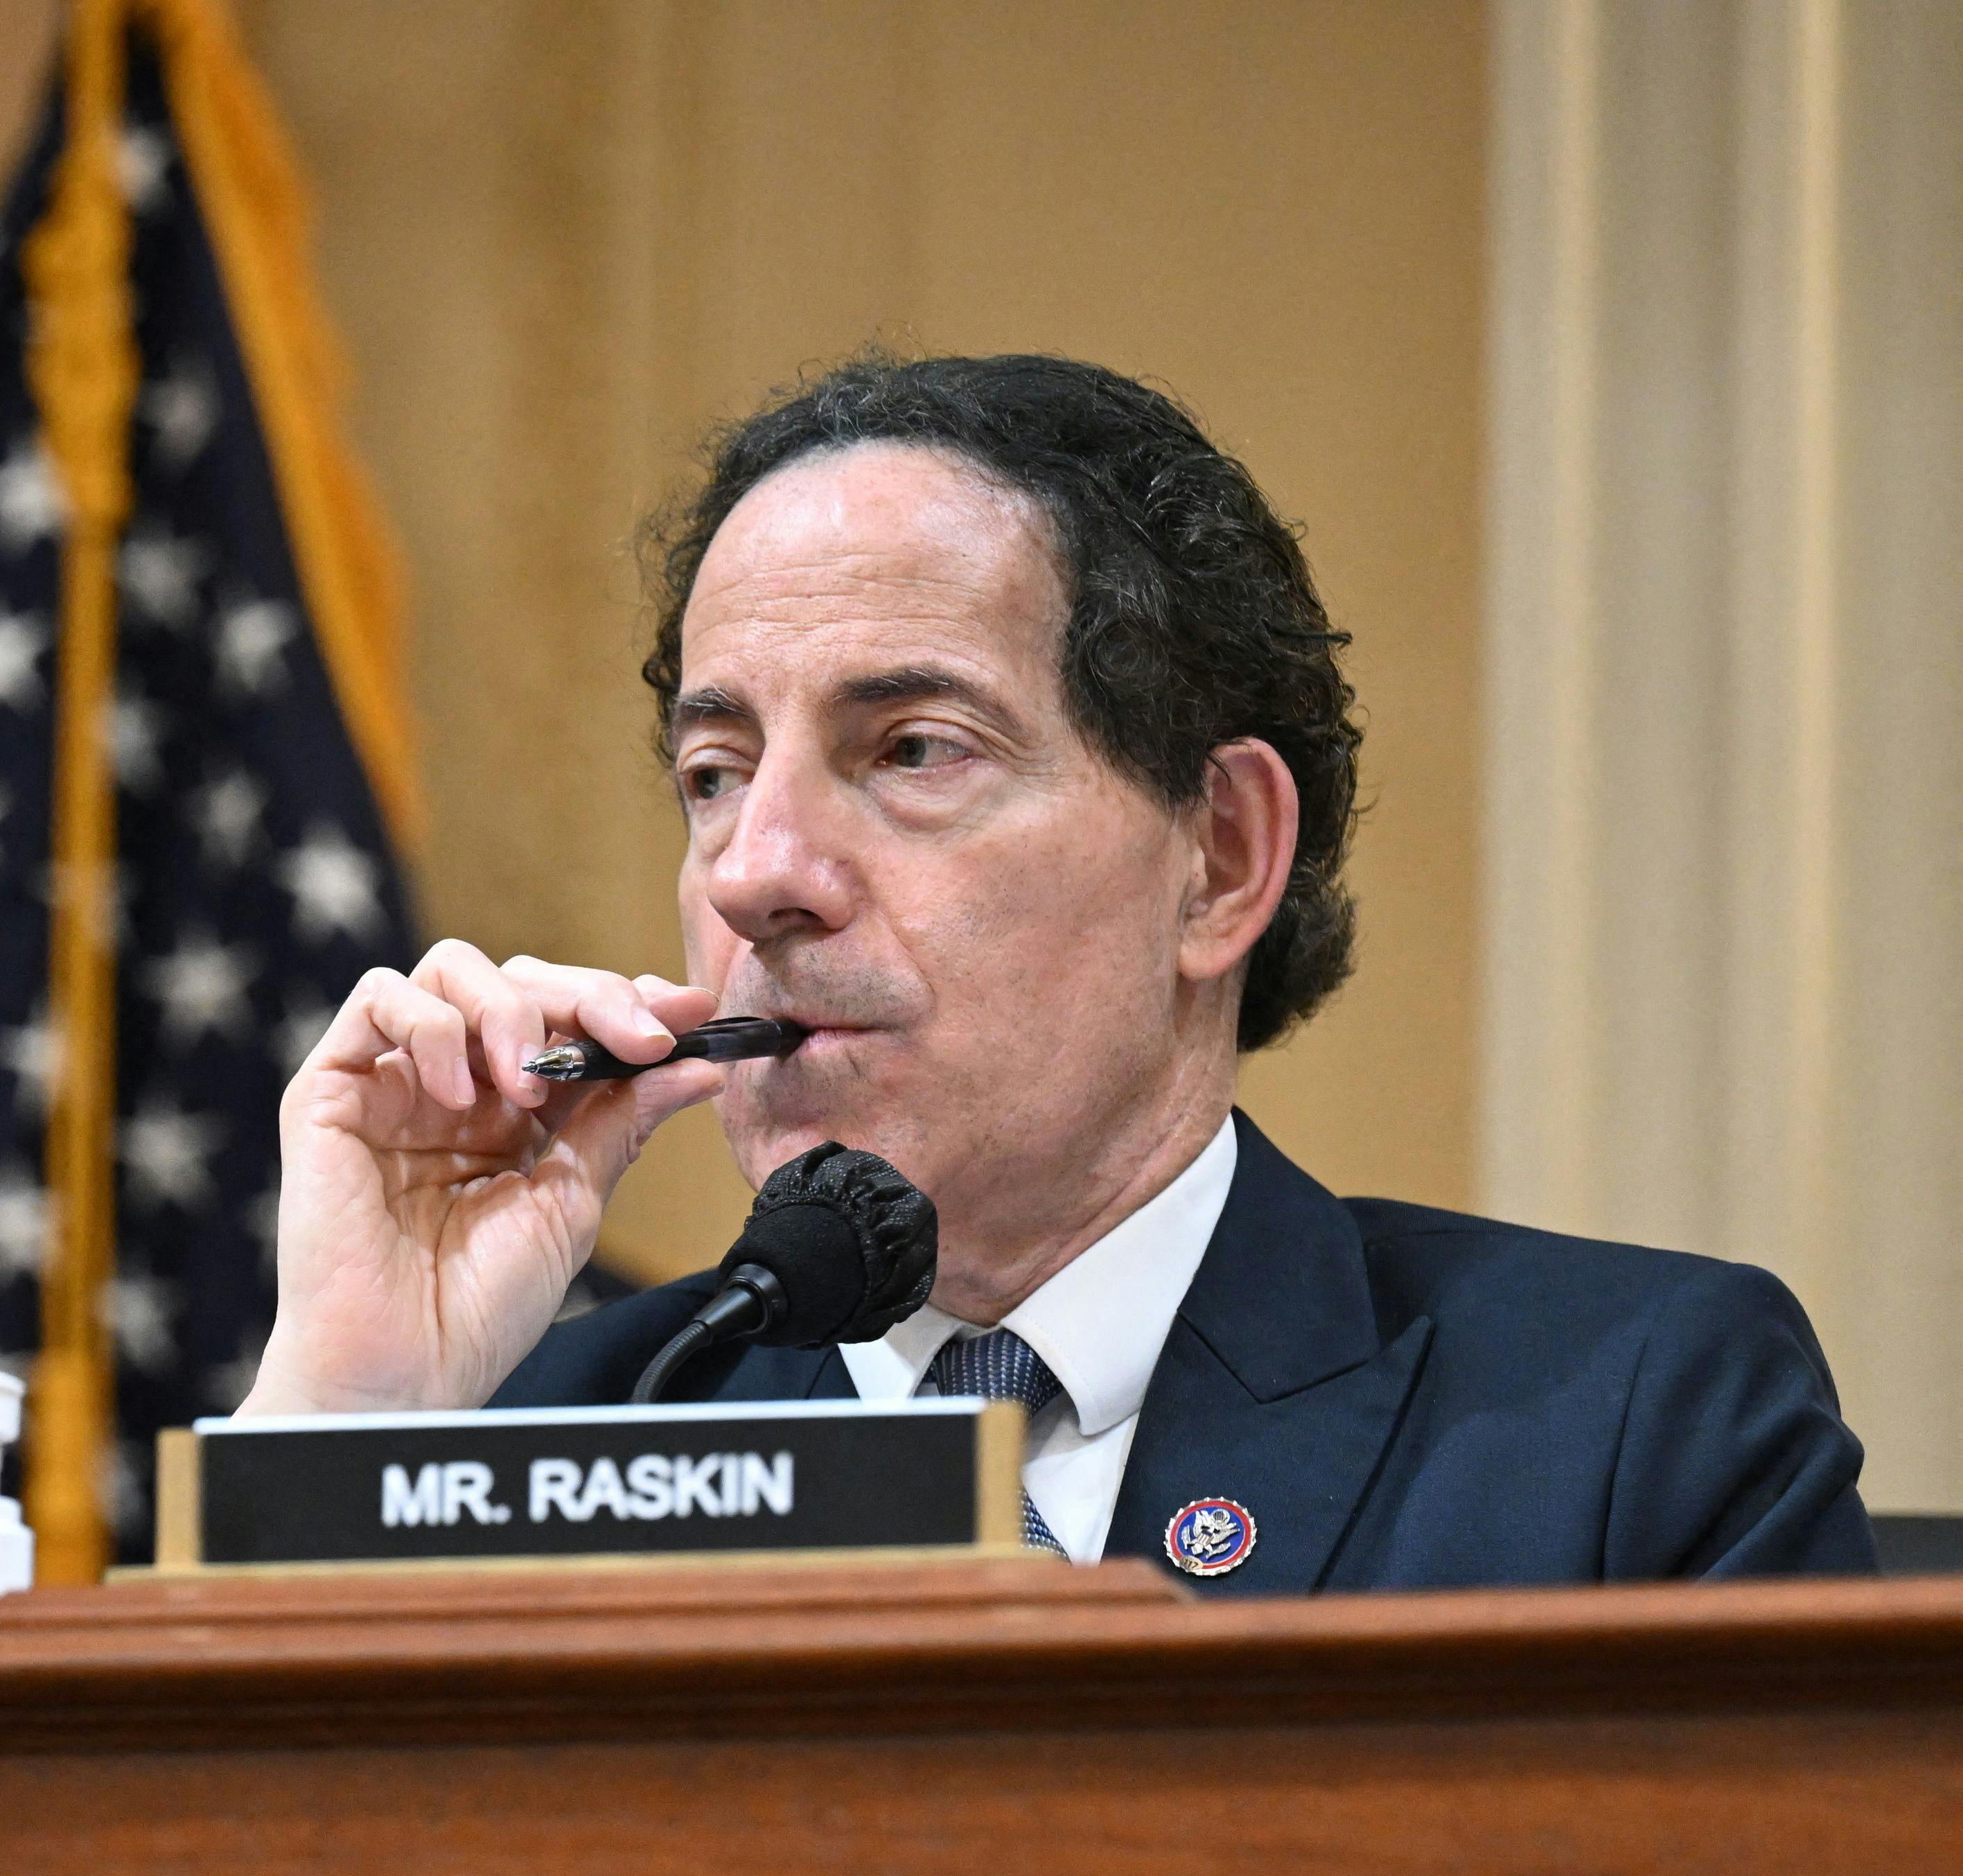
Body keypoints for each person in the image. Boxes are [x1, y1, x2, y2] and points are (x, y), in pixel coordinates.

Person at [240, 354, 1872, 1593]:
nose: (753, 874)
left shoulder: (1623, 1428)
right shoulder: (538, 1442)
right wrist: (344, 1417)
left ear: (1220, 855)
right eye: (716, 772)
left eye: (913, 749)